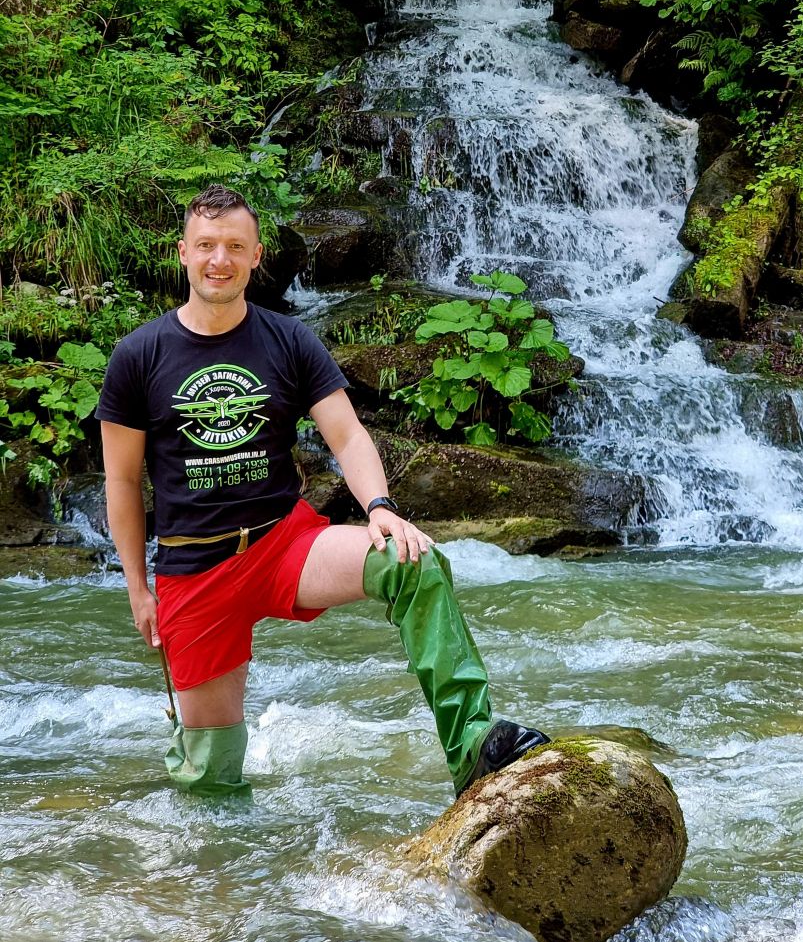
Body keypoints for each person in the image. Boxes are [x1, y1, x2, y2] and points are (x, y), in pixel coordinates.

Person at [98, 183, 548, 797]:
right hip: (193, 567)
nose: (219, 260)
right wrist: (136, 588)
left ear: (256, 256)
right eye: (206, 245)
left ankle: (472, 745)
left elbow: (348, 435)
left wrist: (380, 508)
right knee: (209, 774)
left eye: (234, 245)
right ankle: (211, 884)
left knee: (411, 562)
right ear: (183, 253)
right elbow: (122, 482)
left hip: (283, 544)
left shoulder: (288, 339)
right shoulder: (138, 356)